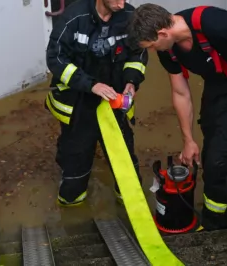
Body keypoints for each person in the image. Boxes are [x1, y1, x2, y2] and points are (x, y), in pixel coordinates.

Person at [127, 3, 227, 231]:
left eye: (153, 46)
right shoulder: (169, 49)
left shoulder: (212, 22)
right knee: (211, 143)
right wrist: (188, 140)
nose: (154, 51)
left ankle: (217, 226)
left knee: (217, 160)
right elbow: (181, 92)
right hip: (217, 87)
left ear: (163, 33)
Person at [44, 0, 148, 207]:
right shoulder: (73, 18)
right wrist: (90, 85)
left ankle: (130, 202)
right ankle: (72, 208)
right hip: (79, 102)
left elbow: (139, 52)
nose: (122, 2)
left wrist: (131, 80)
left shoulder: (130, 16)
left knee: (125, 158)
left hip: (115, 100)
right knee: (76, 161)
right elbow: (56, 59)